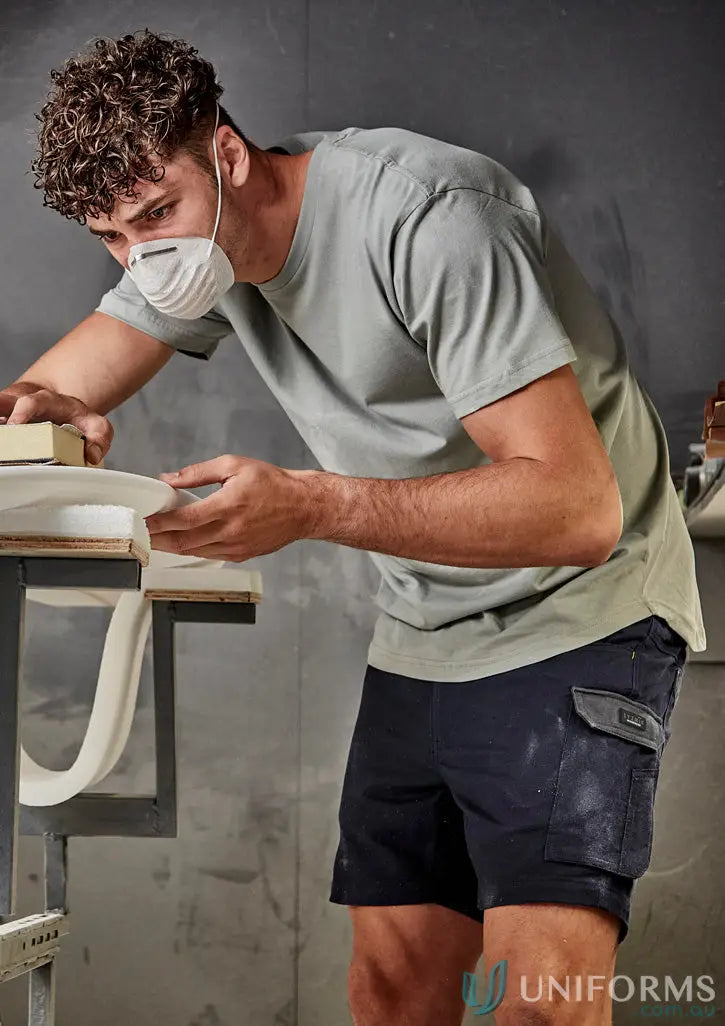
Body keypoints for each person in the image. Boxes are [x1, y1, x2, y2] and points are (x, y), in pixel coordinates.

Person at [4, 28, 705, 1026]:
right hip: (425, 634)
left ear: (230, 157)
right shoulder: (191, 254)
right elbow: (47, 390)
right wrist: (41, 406)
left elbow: (575, 510)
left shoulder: (429, 220)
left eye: (156, 215)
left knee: (538, 1005)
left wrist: (315, 503)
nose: (139, 258)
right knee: (388, 993)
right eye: (111, 238)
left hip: (577, 615)